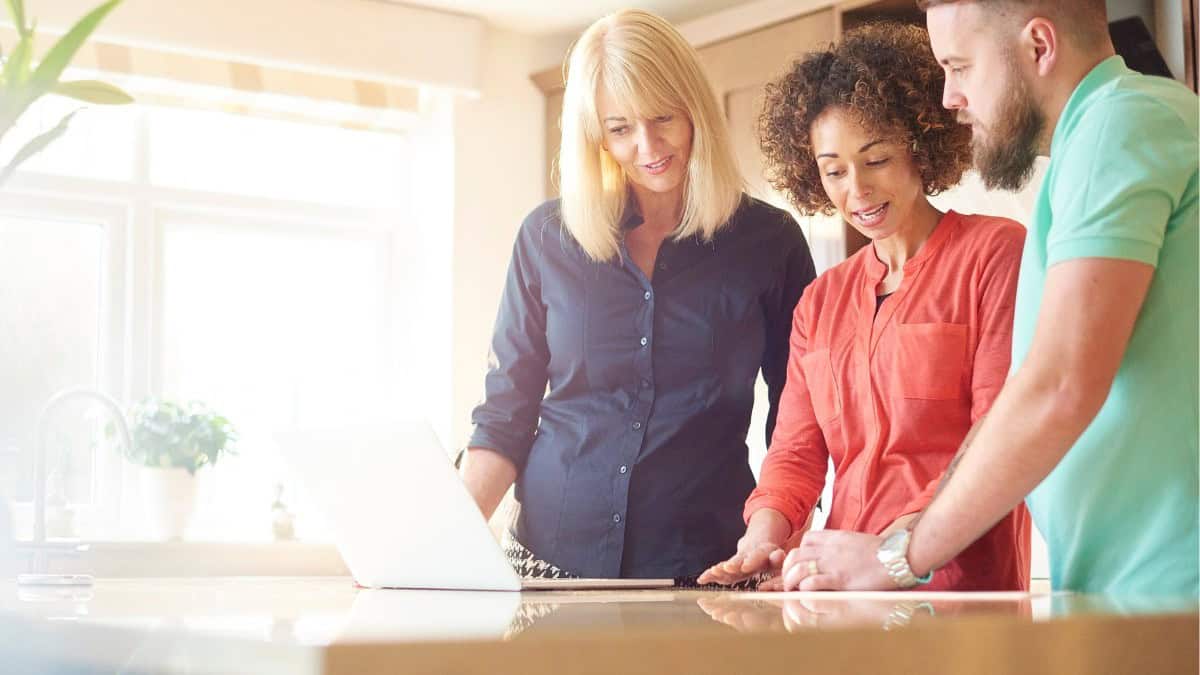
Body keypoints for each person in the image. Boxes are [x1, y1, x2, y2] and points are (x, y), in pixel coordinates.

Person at [788, 0, 1198, 596]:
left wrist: (898, 556)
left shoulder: (1121, 123)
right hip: (1124, 585)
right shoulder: (1097, 144)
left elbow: (1058, 385)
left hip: (1171, 588)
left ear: (1039, 45)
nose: (950, 96)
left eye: (960, 65)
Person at [461, 9, 816, 580]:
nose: (647, 145)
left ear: (695, 108)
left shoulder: (769, 244)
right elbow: (505, 416)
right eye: (619, 128)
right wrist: (433, 545)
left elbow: (799, 418)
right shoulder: (546, 238)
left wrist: (775, 538)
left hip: (709, 564)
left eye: (663, 118)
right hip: (549, 561)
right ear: (594, 133)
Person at [698, 22, 1030, 591]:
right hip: (842, 588)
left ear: (920, 146)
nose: (857, 190)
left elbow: (999, 435)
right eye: (833, 171)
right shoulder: (820, 303)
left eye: (875, 159)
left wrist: (892, 550)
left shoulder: (994, 253)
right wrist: (762, 538)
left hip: (961, 589)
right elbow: (796, 454)